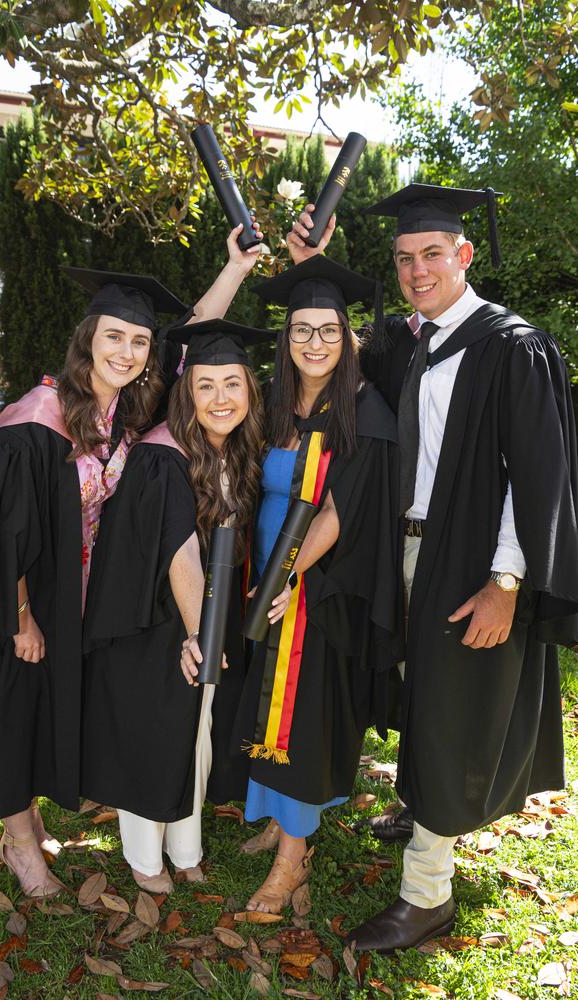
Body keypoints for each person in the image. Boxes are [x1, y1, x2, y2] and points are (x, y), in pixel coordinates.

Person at [290, 184, 578, 952]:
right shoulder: (405, 341)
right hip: (404, 547)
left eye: (432, 254)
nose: (417, 269)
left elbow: (536, 476)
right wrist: (315, 266)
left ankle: (427, 897)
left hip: (471, 561)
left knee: (454, 712)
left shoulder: (511, 347)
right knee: (421, 690)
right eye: (404, 257)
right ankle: (422, 806)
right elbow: (333, 350)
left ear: (465, 254)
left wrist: (507, 580)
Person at [0, 270, 187, 897]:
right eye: (114, 337)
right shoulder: (39, 419)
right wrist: (21, 616)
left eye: (140, 343)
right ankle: (19, 843)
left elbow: (193, 338)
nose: (126, 352)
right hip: (18, 598)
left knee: (41, 712)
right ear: (87, 339)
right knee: (11, 712)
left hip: (71, 598)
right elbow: (1, 533)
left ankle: (28, 820)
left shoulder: (121, 412)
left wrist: (237, 267)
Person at [216, 256, 403, 914]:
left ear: (346, 337)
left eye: (328, 330)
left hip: (318, 587)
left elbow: (338, 512)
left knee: (301, 713)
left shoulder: (362, 408)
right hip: (263, 578)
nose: (314, 343)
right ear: (285, 336)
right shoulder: (273, 403)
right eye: (301, 329)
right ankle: (276, 820)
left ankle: (294, 861)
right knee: (267, 705)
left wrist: (286, 579)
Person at [82, 318, 273, 892]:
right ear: (186, 394)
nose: (221, 398)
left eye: (233, 384)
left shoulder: (235, 450)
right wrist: (199, 634)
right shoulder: (164, 456)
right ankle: (145, 858)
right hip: (154, 620)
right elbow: (177, 552)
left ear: (249, 391)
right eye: (206, 386)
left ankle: (185, 845)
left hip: (202, 616)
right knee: (157, 731)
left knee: (199, 732)